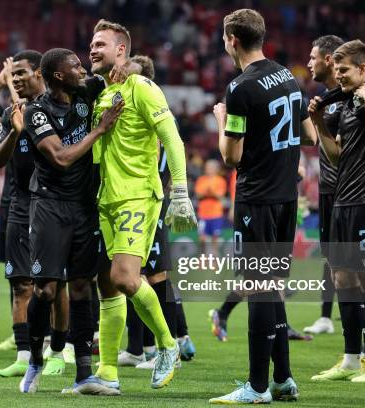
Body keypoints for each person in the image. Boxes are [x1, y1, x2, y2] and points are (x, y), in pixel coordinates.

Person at [83, 20, 197, 395]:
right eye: (91, 44)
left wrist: (180, 191)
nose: (92, 50)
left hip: (138, 196)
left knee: (125, 278)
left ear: (121, 50)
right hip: (107, 200)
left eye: (101, 44)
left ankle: (167, 345)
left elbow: (173, 139)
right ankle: (108, 373)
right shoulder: (100, 92)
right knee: (108, 288)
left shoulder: (143, 88)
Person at [209, 9, 316, 404]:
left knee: (257, 289)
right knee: (271, 288)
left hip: (257, 199)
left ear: (232, 40)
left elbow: (231, 156)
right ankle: (283, 380)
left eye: (224, 39)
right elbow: (308, 136)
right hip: (287, 198)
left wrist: (222, 120)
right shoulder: (287, 75)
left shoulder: (239, 88)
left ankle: (256, 388)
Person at [18, 48, 123, 394]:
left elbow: (114, 74)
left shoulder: (85, 91)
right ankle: (35, 358)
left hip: (84, 205)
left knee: (81, 286)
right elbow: (61, 157)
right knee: (46, 290)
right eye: (75, 66)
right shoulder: (36, 112)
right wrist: (101, 129)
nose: (82, 69)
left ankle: (83, 373)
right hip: (49, 204)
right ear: (58, 76)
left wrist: (119, 68)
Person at [309, 40, 365, 384]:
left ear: (363, 69)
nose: (339, 75)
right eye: (336, 70)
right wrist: (319, 122)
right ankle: (351, 359)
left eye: (344, 70)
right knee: (343, 279)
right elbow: (336, 156)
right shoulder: (346, 104)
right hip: (343, 203)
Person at [114, 55, 195, 367]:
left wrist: (176, 194)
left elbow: (170, 152)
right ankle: (139, 347)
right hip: (138, 198)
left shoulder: (154, 109)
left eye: (131, 75)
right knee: (137, 274)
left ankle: (169, 345)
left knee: (157, 274)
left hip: (153, 200)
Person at [0, 51, 44, 377]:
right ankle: (24, 356)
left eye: (22, 73)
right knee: (21, 284)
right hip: (19, 208)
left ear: (38, 72)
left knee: (53, 285)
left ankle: (58, 351)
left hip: (53, 206)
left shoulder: (59, 109)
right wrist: (15, 131)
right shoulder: (11, 114)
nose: (17, 79)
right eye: (13, 74)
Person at [303, 34, 345, 336]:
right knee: (331, 258)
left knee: (356, 262)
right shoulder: (323, 100)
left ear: (328, 60)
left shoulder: (350, 98)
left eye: (313, 56)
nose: (308, 63)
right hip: (329, 191)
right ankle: (326, 316)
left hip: (351, 193)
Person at [195, 159, 227, 254]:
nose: (208, 169)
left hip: (216, 214)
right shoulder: (201, 179)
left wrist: (209, 192)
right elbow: (198, 195)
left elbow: (220, 196)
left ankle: (215, 260)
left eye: (211, 167)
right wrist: (209, 193)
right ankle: (202, 259)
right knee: (202, 238)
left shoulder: (221, 180)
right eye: (207, 167)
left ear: (216, 169)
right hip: (203, 215)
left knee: (215, 238)